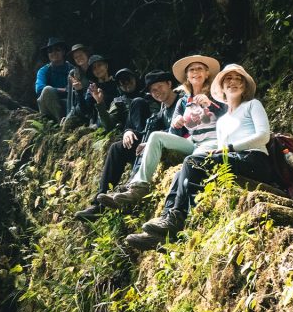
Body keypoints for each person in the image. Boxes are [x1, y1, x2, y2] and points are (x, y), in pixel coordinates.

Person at [126, 64, 276, 251]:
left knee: (192, 161)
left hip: (256, 160)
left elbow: (264, 136)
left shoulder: (252, 105)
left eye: (239, 80)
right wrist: (223, 151)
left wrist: (229, 148)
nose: (233, 83)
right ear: (221, 87)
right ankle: (166, 222)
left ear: (245, 86)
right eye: (228, 80)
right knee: (180, 173)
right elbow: (220, 149)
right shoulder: (221, 121)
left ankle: (176, 220)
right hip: (234, 160)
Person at [98, 54, 224, 209]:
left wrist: (210, 104)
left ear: (207, 73)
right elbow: (172, 133)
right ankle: (138, 186)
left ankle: (174, 211)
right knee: (155, 136)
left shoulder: (216, 94)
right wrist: (175, 125)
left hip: (213, 141)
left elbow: (229, 115)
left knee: (190, 162)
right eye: (191, 69)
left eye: (199, 69)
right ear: (187, 76)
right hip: (193, 142)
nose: (195, 72)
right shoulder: (184, 102)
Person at [74, 70, 181, 221]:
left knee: (138, 104)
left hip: (169, 143)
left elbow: (177, 129)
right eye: (153, 90)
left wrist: (149, 139)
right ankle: (99, 204)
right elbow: (110, 124)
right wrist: (128, 131)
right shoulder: (160, 106)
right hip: (149, 140)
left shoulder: (180, 101)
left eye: (160, 87)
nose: (157, 92)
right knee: (117, 148)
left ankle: (132, 186)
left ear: (169, 84)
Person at [34, 37, 73, 120]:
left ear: (63, 52)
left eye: (57, 49)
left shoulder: (71, 69)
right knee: (47, 90)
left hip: (68, 106)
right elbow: (39, 89)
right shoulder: (43, 71)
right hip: (48, 109)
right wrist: (62, 90)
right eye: (50, 51)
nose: (54, 53)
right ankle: (62, 124)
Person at [83, 55, 120, 128]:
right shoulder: (93, 89)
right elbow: (86, 110)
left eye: (99, 65)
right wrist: (79, 91)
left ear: (106, 66)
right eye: (94, 68)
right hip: (101, 121)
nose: (97, 69)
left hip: (118, 114)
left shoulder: (117, 82)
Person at [64, 43, 93, 125]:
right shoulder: (73, 73)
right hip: (81, 103)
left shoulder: (95, 67)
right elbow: (70, 97)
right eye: (76, 57)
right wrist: (68, 114)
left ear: (86, 54)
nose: (79, 58)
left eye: (81, 55)